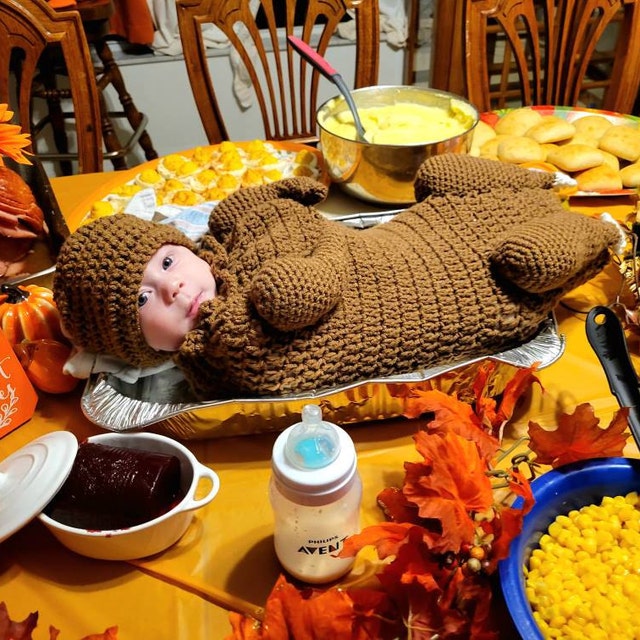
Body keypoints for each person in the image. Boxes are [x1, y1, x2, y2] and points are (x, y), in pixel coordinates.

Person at [53, 154, 621, 399]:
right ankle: (601, 233)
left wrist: (266, 206)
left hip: (427, 230)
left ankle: (537, 180)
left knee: (437, 173)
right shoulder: (232, 346)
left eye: (167, 262)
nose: (172, 287)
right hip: (480, 280)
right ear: (143, 350)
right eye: (143, 301)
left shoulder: (227, 254)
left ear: (185, 246)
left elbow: (258, 220)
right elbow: (308, 287)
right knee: (531, 260)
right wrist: (288, 237)